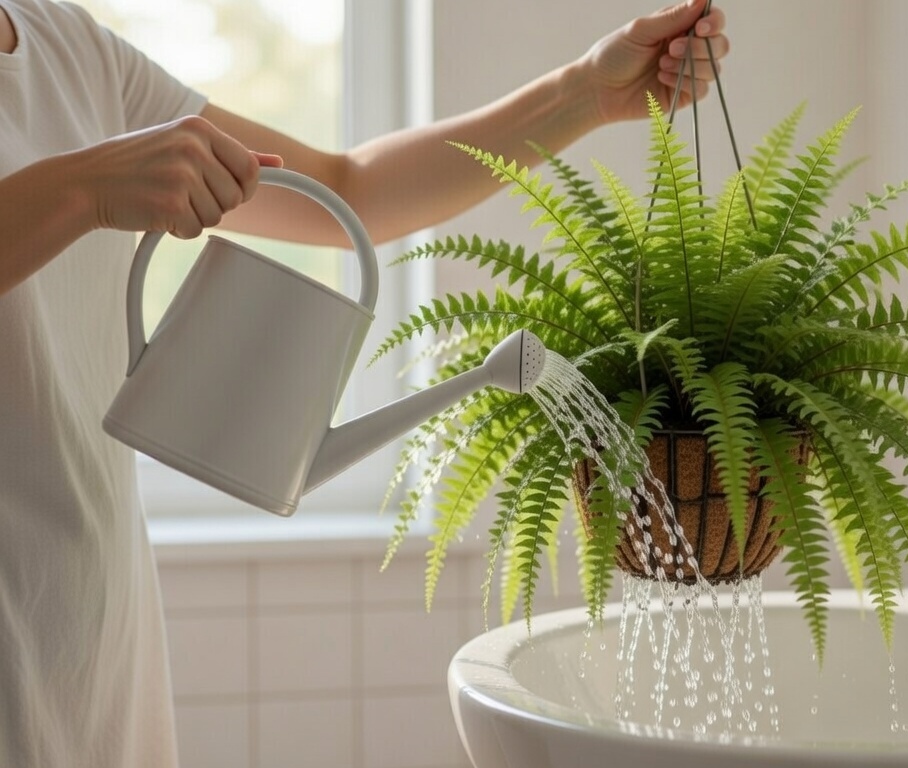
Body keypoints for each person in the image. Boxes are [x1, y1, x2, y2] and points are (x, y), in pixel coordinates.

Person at [0, 0, 729, 764]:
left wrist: (588, 93)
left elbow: (351, 188)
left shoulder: (68, 46)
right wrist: (82, 189)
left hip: (96, 638)